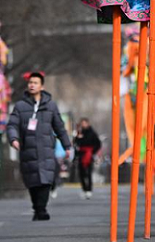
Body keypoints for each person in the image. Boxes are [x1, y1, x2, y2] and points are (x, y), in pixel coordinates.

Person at [7, 72, 71, 220]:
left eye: (35, 83)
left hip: (46, 149)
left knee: (46, 180)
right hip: (27, 150)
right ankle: (37, 208)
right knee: (32, 181)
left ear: (42, 86)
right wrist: (14, 139)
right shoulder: (20, 106)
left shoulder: (51, 105)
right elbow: (12, 125)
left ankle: (41, 209)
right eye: (30, 82)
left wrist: (67, 146)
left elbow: (59, 127)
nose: (32, 85)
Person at [74, 118, 101, 199]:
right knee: (81, 173)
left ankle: (89, 190)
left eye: (85, 123)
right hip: (81, 155)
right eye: (82, 123)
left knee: (88, 173)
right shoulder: (79, 132)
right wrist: (78, 137)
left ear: (88, 124)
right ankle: (84, 189)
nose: (83, 125)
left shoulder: (92, 133)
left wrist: (93, 152)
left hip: (89, 155)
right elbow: (76, 143)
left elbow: (98, 144)